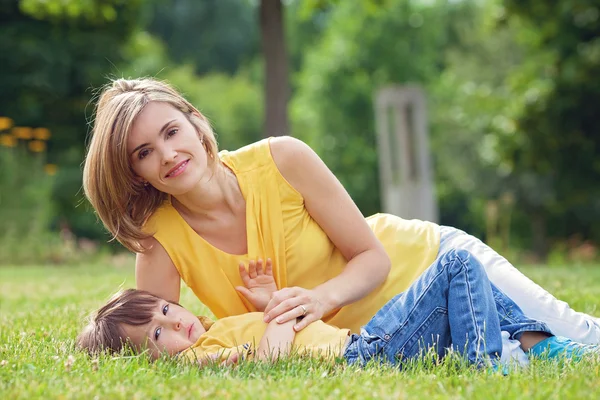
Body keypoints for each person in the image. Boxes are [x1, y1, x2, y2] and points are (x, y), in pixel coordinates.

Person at [82, 78, 600, 366]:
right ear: (136, 173)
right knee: (522, 360)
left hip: (427, 267)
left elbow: (372, 256)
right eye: (144, 152)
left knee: (582, 340)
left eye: (172, 131)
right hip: (380, 342)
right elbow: (150, 340)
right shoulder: (158, 239)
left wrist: (320, 300)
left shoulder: (282, 158)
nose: (168, 155)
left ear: (196, 122)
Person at [77, 250, 598, 369]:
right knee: (458, 266)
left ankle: (537, 343)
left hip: (363, 338)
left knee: (458, 271)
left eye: (166, 308)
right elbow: (268, 361)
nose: (175, 320)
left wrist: (268, 302)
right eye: (157, 334)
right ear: (146, 358)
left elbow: (278, 329)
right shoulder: (197, 361)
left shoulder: (215, 328)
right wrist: (276, 322)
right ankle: (485, 365)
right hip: (363, 357)